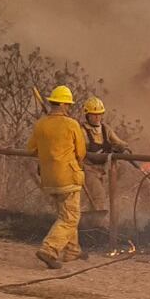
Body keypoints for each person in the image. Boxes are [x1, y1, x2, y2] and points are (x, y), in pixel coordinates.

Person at [27, 85, 88, 269]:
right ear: (62, 104)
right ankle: (49, 249)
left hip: (49, 179)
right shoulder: (71, 124)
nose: (68, 108)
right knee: (70, 218)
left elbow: (31, 149)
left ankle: (72, 250)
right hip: (68, 178)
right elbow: (81, 152)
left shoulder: (41, 124)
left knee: (66, 214)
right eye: (67, 104)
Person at [80, 97, 130, 230]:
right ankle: (99, 227)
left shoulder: (105, 129)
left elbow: (118, 142)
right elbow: (78, 149)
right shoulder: (82, 131)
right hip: (88, 169)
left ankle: (90, 226)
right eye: (94, 114)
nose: (97, 117)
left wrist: (123, 148)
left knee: (94, 199)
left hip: (102, 170)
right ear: (87, 115)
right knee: (99, 196)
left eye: (99, 114)